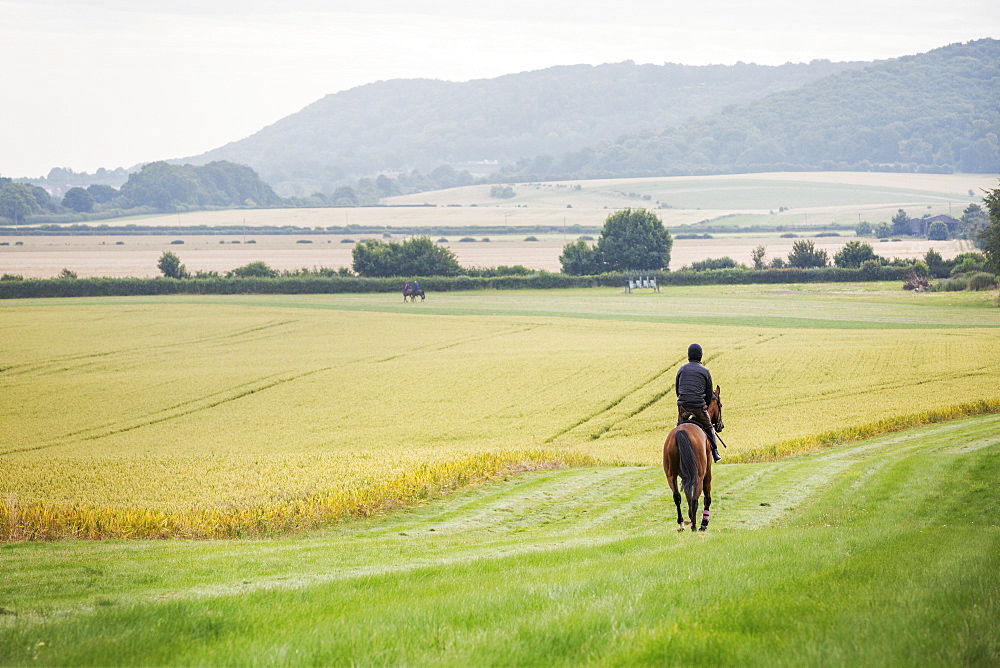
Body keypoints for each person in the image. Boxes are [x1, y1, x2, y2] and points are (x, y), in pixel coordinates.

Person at [675, 343, 721, 462]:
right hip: (699, 407)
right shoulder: (705, 371)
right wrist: (703, 406)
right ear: (700, 356)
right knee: (710, 427)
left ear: (688, 355)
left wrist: (683, 402)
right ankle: (715, 453)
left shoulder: (681, 369)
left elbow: (677, 390)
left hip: (682, 407)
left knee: (678, 428)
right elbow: (709, 393)